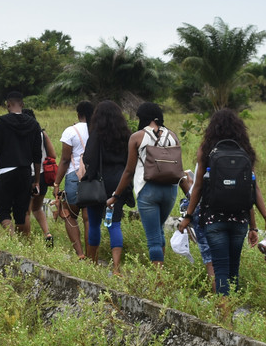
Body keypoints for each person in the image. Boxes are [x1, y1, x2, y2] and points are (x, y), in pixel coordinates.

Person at [178, 109, 266, 295]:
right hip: (239, 220)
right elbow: (253, 189)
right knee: (233, 269)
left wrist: (188, 216)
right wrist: (262, 222)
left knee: (220, 268)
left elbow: (197, 187)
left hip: (213, 219)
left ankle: (223, 314)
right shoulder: (245, 151)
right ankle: (229, 313)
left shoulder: (206, 150)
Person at [107, 102, 179, 266]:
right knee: (159, 230)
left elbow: (128, 171)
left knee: (153, 238)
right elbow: (179, 167)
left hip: (148, 191)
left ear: (143, 118)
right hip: (170, 191)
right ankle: (161, 275)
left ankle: (158, 281)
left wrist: (116, 195)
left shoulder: (137, 137)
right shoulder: (173, 136)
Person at [80, 101, 133, 275]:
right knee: (114, 224)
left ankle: (92, 263)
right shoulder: (126, 135)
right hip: (119, 182)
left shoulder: (97, 133)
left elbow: (89, 158)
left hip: (99, 183)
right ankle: (116, 268)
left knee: (94, 223)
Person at [0, 92, 42, 234]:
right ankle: (22, 247)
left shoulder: (1, 122)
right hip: (25, 173)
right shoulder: (34, 124)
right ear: (22, 104)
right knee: (21, 215)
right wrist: (36, 181)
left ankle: (12, 238)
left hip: (6, 173)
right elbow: (37, 156)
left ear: (7, 105)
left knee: (2, 213)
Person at [58, 101, 93, 258]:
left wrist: (56, 183)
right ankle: (91, 256)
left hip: (73, 177)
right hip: (92, 178)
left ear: (78, 114)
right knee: (88, 219)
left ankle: (80, 254)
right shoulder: (97, 130)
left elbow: (65, 160)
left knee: (69, 214)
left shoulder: (70, 131)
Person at [25, 108, 56, 248]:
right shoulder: (42, 133)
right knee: (37, 208)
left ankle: (26, 241)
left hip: (27, 175)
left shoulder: (21, 134)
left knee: (25, 210)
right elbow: (53, 154)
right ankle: (47, 233)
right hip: (42, 176)